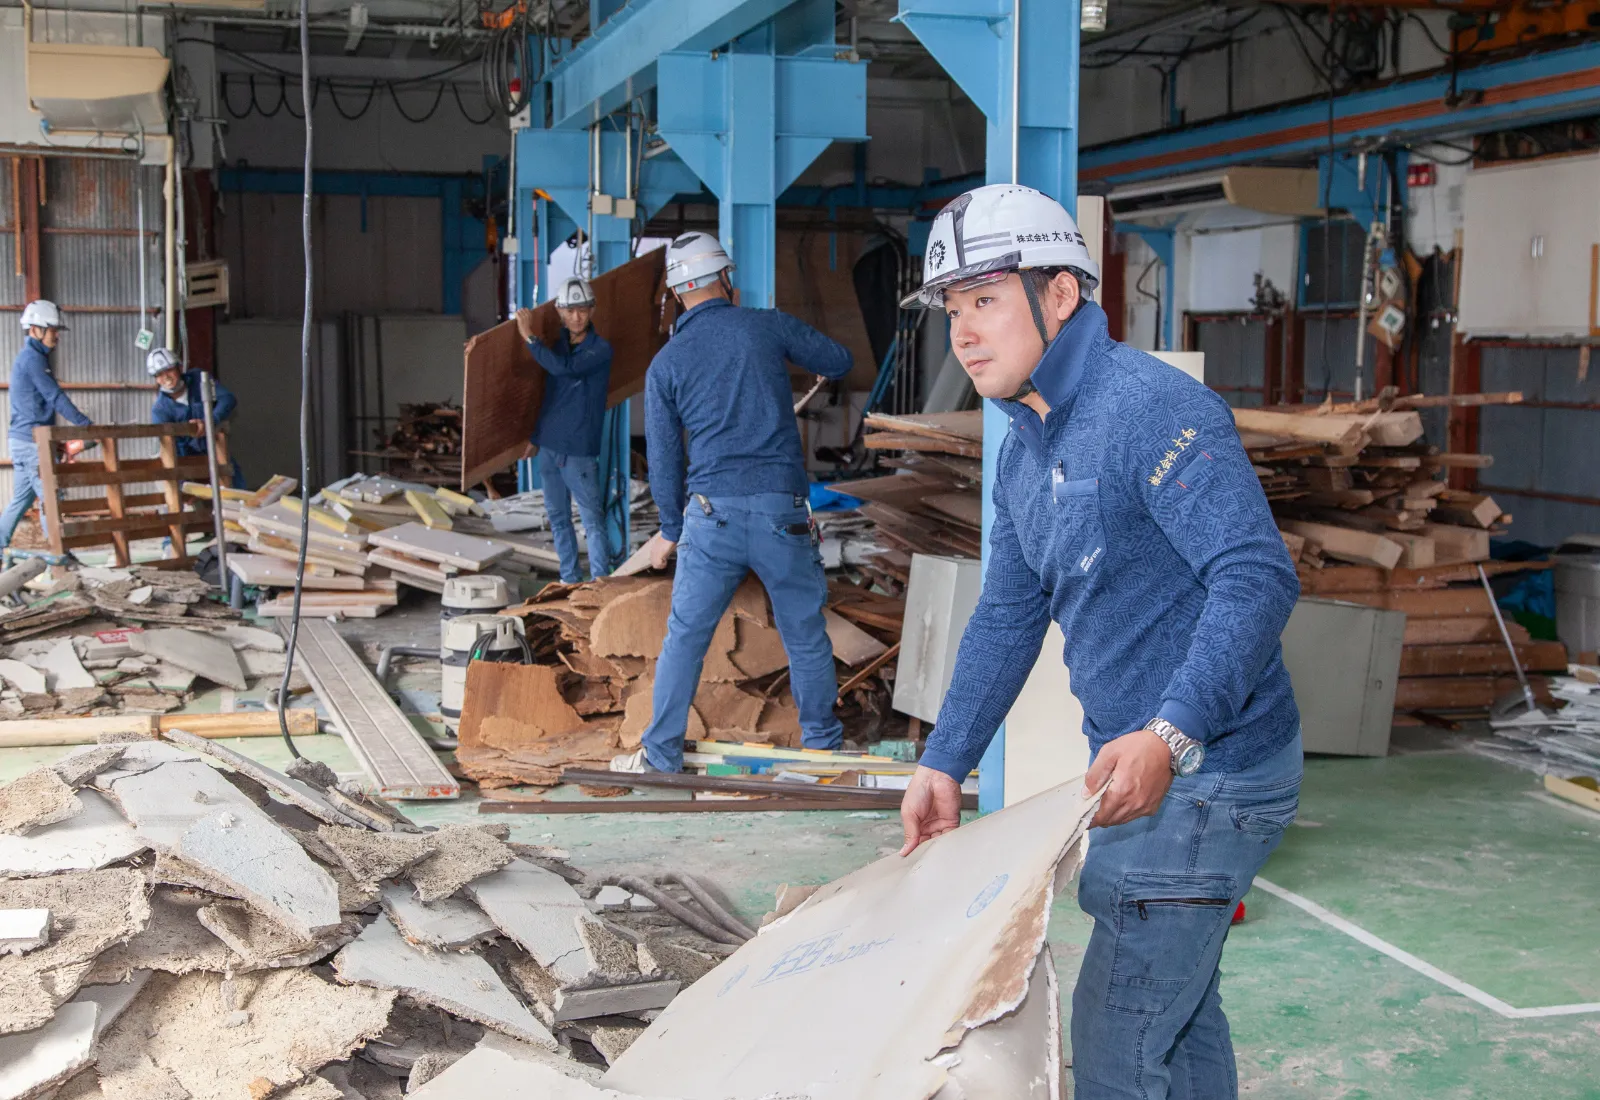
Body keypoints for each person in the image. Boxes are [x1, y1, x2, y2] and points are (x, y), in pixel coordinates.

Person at [894, 185, 1302, 1100]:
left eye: (988, 300)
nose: (964, 332)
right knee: (1181, 1015)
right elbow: (1008, 610)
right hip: (1136, 768)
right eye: (954, 309)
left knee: (1117, 1054)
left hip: (1212, 774)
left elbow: (1257, 578)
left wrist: (1173, 733)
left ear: (1062, 296)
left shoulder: (1152, 411)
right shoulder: (1025, 441)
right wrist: (944, 760)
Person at [625, 232, 855, 773]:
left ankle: (660, 756)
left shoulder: (667, 363)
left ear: (678, 293)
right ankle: (822, 746)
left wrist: (669, 527)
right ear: (726, 279)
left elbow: (663, 459)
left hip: (710, 517)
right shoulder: (766, 325)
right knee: (804, 632)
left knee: (685, 638)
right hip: (781, 514)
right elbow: (839, 361)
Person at [515, 276, 616, 584]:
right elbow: (552, 396)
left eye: (583, 310)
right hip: (549, 446)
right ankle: (570, 581)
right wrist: (535, 438)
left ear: (592, 311)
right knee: (559, 518)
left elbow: (565, 370)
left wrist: (529, 336)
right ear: (559, 311)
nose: (576, 316)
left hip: (578, 450)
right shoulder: (558, 346)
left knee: (591, 521)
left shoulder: (600, 349)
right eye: (570, 310)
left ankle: (600, 586)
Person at [1, 301, 91, 549]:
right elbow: (55, 397)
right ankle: (61, 557)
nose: (56, 335)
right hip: (32, 444)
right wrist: (87, 426)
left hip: (24, 440)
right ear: (35, 329)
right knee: (51, 497)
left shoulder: (33, 358)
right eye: (52, 329)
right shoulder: (33, 359)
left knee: (21, 500)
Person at [147, 348, 244, 488]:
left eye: (169, 370)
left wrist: (210, 421)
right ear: (156, 379)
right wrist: (184, 485)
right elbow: (172, 449)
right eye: (159, 374)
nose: (166, 377)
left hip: (217, 454)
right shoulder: (160, 410)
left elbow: (228, 399)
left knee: (237, 492)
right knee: (196, 502)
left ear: (179, 367)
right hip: (189, 464)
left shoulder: (199, 379)